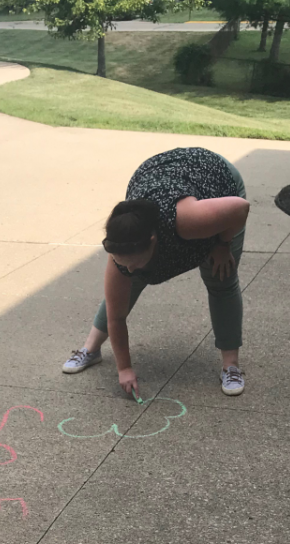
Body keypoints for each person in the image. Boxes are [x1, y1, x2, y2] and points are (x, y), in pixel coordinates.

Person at [64, 147, 251, 397]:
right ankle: (91, 349)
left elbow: (240, 208)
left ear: (153, 242)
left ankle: (231, 366)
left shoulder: (189, 220)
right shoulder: (124, 245)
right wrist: (125, 369)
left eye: (132, 262)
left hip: (213, 179)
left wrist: (222, 244)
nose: (127, 268)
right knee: (126, 286)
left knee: (221, 277)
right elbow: (116, 315)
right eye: (121, 262)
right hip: (159, 174)